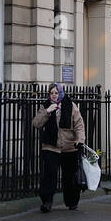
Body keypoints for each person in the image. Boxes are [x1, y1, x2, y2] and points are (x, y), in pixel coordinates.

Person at [31, 83, 85, 212]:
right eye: (51, 93)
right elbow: (36, 123)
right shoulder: (45, 106)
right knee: (50, 175)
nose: (54, 95)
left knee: (69, 176)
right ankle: (47, 202)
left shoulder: (70, 105)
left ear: (60, 93)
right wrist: (47, 112)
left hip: (69, 146)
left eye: (56, 93)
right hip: (50, 146)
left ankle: (72, 201)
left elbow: (79, 125)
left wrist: (80, 140)